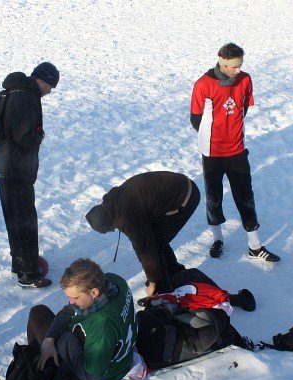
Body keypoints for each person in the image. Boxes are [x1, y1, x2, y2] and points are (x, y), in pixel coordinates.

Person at [190, 42, 280, 263]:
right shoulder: (203, 84)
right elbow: (195, 118)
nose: (239, 70)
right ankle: (217, 239)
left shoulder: (245, 79)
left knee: (245, 196)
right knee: (214, 197)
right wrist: (213, 136)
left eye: (240, 65)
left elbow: (243, 109)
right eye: (234, 66)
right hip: (212, 152)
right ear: (223, 64)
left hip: (237, 150)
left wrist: (232, 131)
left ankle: (255, 245)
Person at [0, 62, 60, 288]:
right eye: (50, 86)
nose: (49, 92)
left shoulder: (15, 92)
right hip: (17, 169)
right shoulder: (27, 97)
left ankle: (19, 265)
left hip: (5, 165)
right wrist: (39, 136)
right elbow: (24, 136)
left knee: (14, 219)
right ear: (42, 80)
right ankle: (29, 274)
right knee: (25, 221)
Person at [85, 171, 200, 297]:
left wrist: (153, 281)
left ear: (108, 222)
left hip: (185, 198)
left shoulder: (127, 217)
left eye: (110, 228)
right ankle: (174, 274)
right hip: (179, 185)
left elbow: (145, 247)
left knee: (155, 243)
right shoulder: (115, 200)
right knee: (155, 238)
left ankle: (162, 287)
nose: (113, 230)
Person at [27, 259, 137, 380]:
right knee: (40, 312)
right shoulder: (114, 281)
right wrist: (49, 339)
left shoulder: (101, 325)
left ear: (94, 293)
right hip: (118, 356)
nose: (71, 302)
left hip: (102, 374)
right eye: (69, 297)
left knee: (39, 318)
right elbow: (69, 311)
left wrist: (66, 343)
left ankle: (36, 373)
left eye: (75, 298)